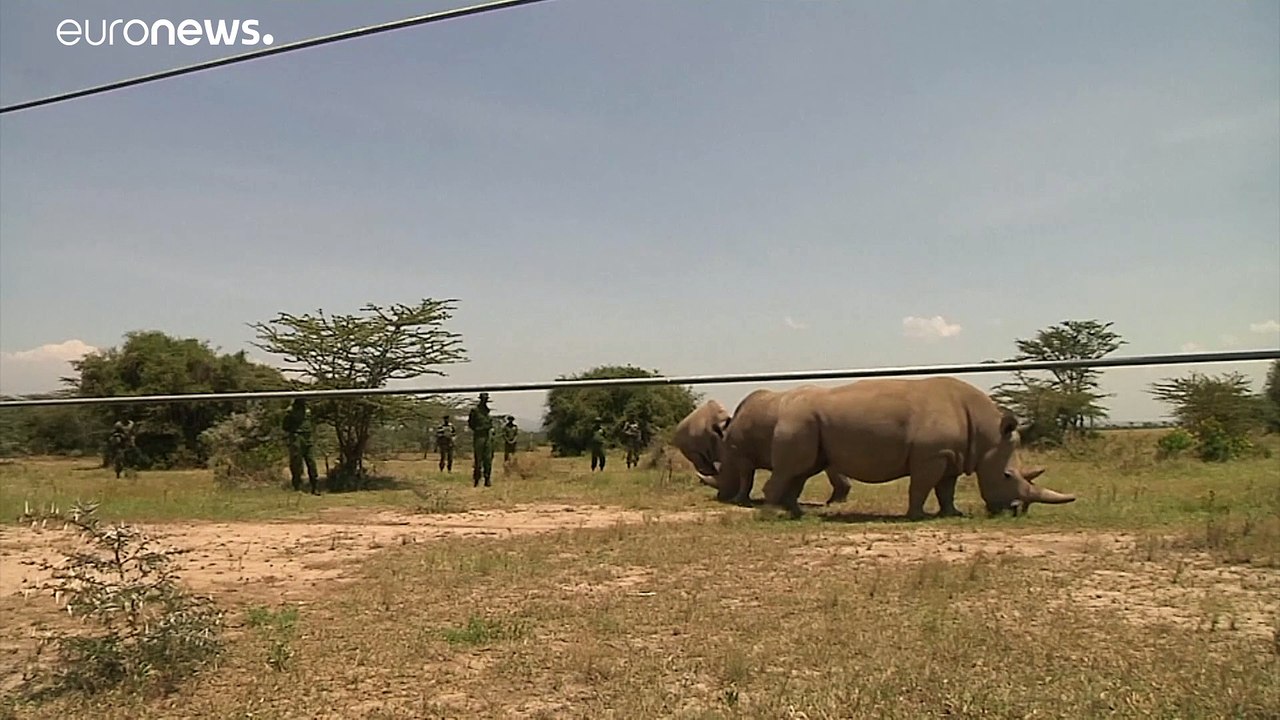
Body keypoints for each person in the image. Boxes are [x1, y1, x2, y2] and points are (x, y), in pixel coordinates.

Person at [282, 398, 320, 495]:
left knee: (311, 462)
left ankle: (315, 487)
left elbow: (313, 423)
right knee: (296, 463)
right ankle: (297, 486)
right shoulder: (291, 411)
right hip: (297, 437)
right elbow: (285, 426)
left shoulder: (308, 410)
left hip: (308, 437)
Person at [468, 392, 495, 487]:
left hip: (488, 436)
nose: (485, 400)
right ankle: (476, 479)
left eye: (486, 398)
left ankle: (487, 479)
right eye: (484, 398)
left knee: (488, 459)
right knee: (478, 459)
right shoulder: (475, 410)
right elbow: (471, 424)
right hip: (479, 436)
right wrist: (478, 429)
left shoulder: (487, 411)